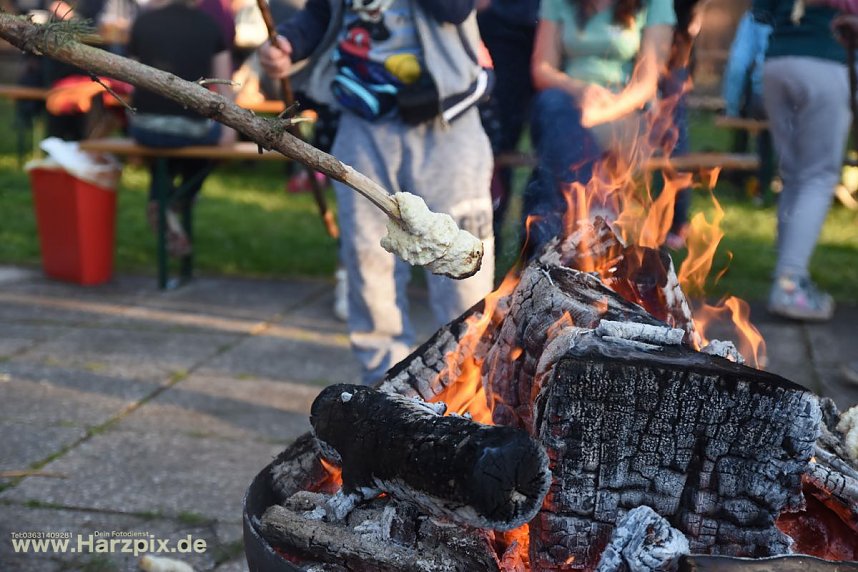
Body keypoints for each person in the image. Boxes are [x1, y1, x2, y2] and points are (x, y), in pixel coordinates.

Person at [258, 0, 495, 384]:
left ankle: (470, 379)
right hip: (363, 122)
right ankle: (384, 382)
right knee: (368, 256)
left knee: (462, 259)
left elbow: (454, 9)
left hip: (447, 122)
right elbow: (320, 15)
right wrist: (286, 43)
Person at [523, 0, 676, 254]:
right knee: (554, 108)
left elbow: (647, 84)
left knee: (560, 139)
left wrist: (601, 113)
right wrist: (581, 91)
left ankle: (546, 243)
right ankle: (590, 219)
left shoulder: (655, 4)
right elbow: (542, 69)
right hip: (567, 103)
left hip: (625, 110)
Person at [752, 0, 847, 321]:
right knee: (817, 177)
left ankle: (786, 275)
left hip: (778, 62)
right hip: (826, 59)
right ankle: (790, 285)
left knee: (793, 175)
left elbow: (760, 11)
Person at [127, 0, 237, 256]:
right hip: (192, 128)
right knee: (207, 146)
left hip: (144, 127)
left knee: (162, 152)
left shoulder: (142, 22)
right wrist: (230, 130)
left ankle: (162, 201)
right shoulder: (211, 26)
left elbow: (129, 78)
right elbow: (224, 85)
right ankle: (180, 198)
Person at [476, 0, 540, 257]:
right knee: (498, 142)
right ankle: (485, 248)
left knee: (551, 148)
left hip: (563, 20)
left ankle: (536, 250)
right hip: (501, 23)